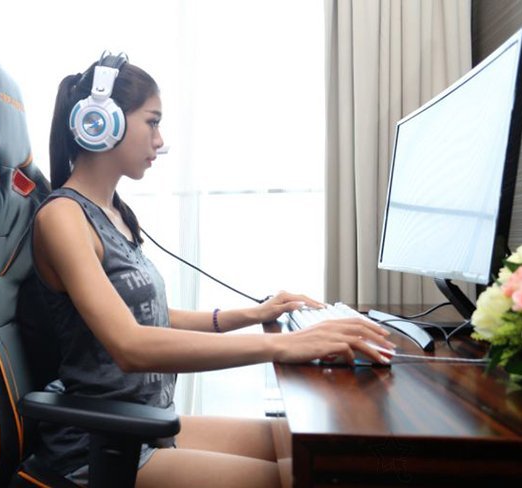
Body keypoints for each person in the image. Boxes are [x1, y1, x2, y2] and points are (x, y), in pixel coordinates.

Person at [30, 52, 394, 488]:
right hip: (99, 446)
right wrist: (285, 346)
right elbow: (130, 345)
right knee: (302, 479)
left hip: (143, 424)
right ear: (101, 121)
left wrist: (253, 314)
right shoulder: (63, 217)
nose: (160, 140)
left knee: (310, 449)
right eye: (152, 122)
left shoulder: (115, 214)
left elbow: (149, 318)